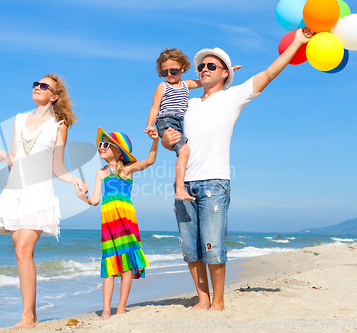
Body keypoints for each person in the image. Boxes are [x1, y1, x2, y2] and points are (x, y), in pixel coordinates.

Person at [161, 28, 313, 311]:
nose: (204, 69)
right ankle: (202, 299)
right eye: (201, 66)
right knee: (189, 247)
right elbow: (172, 135)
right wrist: (165, 138)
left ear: (225, 73)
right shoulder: (188, 103)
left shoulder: (233, 97)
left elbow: (268, 74)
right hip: (184, 182)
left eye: (211, 65)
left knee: (213, 246)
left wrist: (296, 43)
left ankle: (217, 302)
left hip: (215, 182)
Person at [0, 74, 83, 329]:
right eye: (36, 83)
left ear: (54, 96)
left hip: (39, 192)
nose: (37, 87)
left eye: (44, 86)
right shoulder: (20, 119)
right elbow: (15, 158)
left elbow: (57, 167)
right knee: (21, 254)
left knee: (23, 250)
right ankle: (31, 315)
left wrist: (75, 181)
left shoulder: (59, 125)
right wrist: (6, 158)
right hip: (15, 191)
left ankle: (26, 318)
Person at [75, 127, 158, 320]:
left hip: (126, 219)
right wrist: (81, 196)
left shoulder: (127, 169)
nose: (100, 147)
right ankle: (105, 309)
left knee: (127, 262)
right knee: (109, 260)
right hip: (108, 221)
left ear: (118, 151)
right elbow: (95, 200)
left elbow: (150, 161)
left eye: (105, 144)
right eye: (100, 145)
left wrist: (155, 141)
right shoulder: (100, 173)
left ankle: (121, 307)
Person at [145, 48, 240, 201]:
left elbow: (206, 80)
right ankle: (180, 189)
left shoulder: (186, 84)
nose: (169, 75)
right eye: (165, 72)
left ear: (183, 68)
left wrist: (229, 71)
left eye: (174, 71)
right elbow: (155, 107)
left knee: (184, 152)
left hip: (179, 121)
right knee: (185, 153)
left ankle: (181, 187)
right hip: (166, 120)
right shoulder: (163, 86)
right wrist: (150, 125)